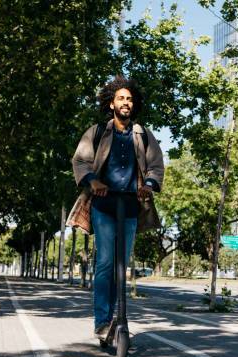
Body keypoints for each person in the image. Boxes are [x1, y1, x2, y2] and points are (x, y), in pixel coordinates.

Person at [71, 76, 164, 341]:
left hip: (132, 206)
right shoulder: (98, 132)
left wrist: (148, 184)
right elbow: (81, 161)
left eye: (130, 99)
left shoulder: (143, 135)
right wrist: (93, 181)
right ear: (111, 103)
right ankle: (102, 322)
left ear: (134, 105)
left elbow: (156, 165)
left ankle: (118, 317)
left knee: (121, 266)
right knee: (105, 263)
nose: (126, 102)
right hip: (104, 204)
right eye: (121, 98)